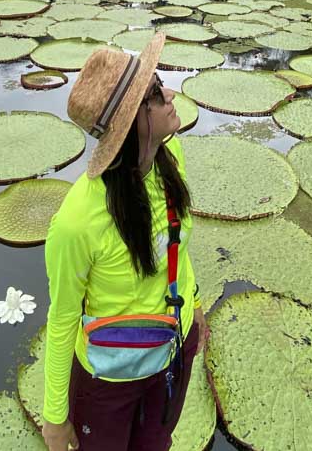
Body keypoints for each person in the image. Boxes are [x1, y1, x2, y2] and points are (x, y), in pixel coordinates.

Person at [42, 32, 206, 451]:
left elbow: (178, 249)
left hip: (173, 348)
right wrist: (55, 420)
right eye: (154, 93)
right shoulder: (77, 221)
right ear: (131, 120)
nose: (170, 92)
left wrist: (197, 305)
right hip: (109, 380)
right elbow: (62, 319)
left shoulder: (172, 159)